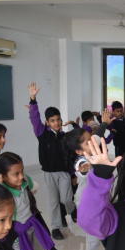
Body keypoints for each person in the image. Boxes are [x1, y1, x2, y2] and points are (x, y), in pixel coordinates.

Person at [63, 108, 114, 250]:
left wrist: (104, 123)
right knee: (93, 238)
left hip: (101, 200)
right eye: (87, 141)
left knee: (109, 232)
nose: (92, 140)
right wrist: (87, 168)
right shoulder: (81, 161)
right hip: (88, 205)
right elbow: (83, 168)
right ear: (79, 150)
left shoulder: (92, 147)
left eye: (90, 137)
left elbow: (96, 135)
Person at [26, 82, 75, 240]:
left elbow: (71, 156)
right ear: (47, 122)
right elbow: (35, 118)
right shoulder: (42, 133)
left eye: (58, 120)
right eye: (53, 120)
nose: (57, 123)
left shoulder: (65, 137)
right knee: (53, 201)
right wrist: (33, 100)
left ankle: (72, 209)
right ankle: (55, 228)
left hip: (64, 173)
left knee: (66, 199)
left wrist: (73, 174)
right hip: (48, 173)